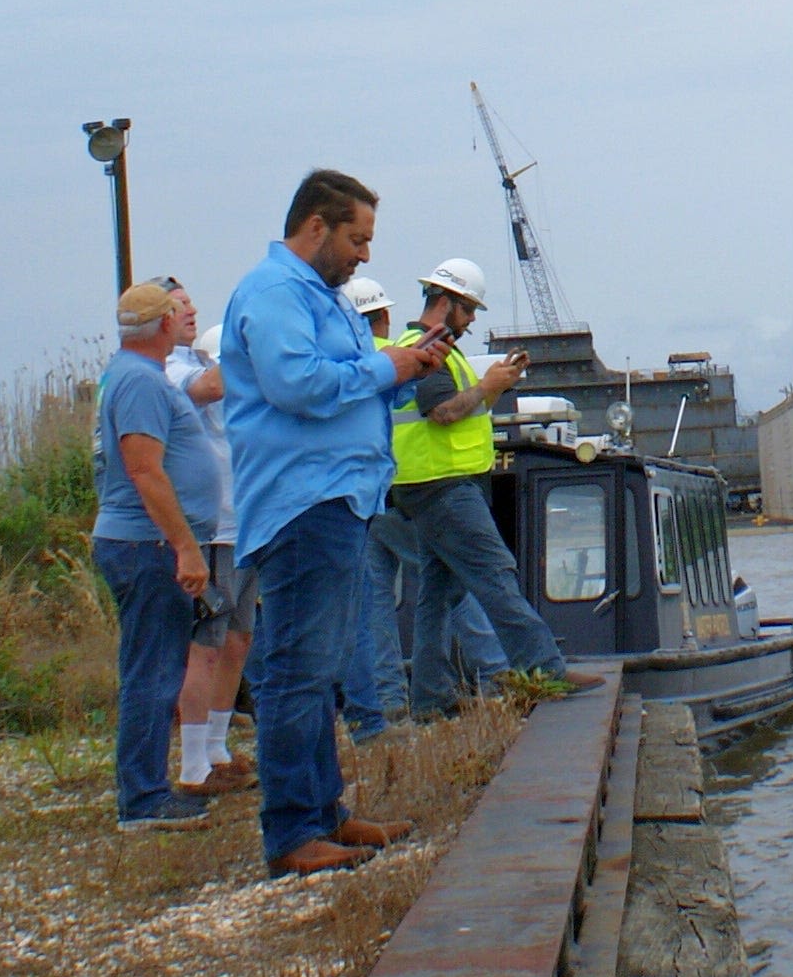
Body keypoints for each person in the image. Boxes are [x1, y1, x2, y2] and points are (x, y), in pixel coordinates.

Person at [222, 173, 446, 876]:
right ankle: (292, 834)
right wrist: (387, 370)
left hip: (339, 500)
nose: (364, 255)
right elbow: (300, 387)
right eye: (357, 239)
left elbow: (350, 381)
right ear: (315, 227)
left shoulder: (324, 299)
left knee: (318, 672)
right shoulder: (273, 295)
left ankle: (324, 814)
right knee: (296, 670)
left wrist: (407, 367)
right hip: (303, 504)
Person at [381, 259, 572, 713]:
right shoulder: (430, 350)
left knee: (437, 594)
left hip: (428, 487)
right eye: (467, 311)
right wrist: (489, 386)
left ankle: (429, 700)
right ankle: (545, 668)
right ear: (445, 302)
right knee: (496, 573)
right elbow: (442, 411)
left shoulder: (429, 348)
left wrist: (492, 386)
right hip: (443, 487)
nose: (469, 322)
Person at [92, 277, 226, 830]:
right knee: (153, 672)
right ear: (166, 324)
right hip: (147, 547)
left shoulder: (133, 375)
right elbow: (145, 470)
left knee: (154, 667)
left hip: (145, 544)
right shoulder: (142, 383)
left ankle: (146, 789)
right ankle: (143, 799)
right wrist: (185, 547)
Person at [156, 289, 256, 800]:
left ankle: (216, 747)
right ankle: (193, 763)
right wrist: (260, 340)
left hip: (241, 523)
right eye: (178, 305)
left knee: (237, 640)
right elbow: (213, 386)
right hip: (210, 529)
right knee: (206, 646)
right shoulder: (169, 371)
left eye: (193, 302)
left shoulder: (197, 361)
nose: (191, 311)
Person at [333, 275, 410, 739]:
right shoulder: (379, 361)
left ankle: (379, 704)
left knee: (370, 603)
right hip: (382, 495)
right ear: (380, 316)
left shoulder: (349, 362)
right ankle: (370, 716)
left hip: (367, 498)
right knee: (446, 581)